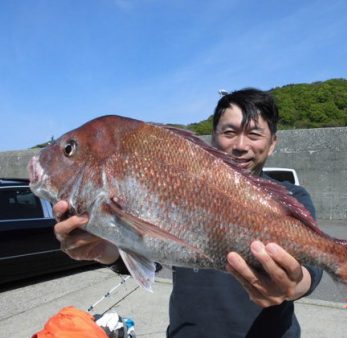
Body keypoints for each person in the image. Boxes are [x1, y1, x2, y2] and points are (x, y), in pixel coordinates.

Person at [53, 88, 323, 337]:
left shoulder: (291, 198)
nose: (240, 145)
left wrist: (294, 286)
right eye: (229, 132)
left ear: (272, 143)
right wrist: (103, 249)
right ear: (213, 137)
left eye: (254, 134)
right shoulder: (180, 190)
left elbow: (313, 263)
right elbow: (152, 254)